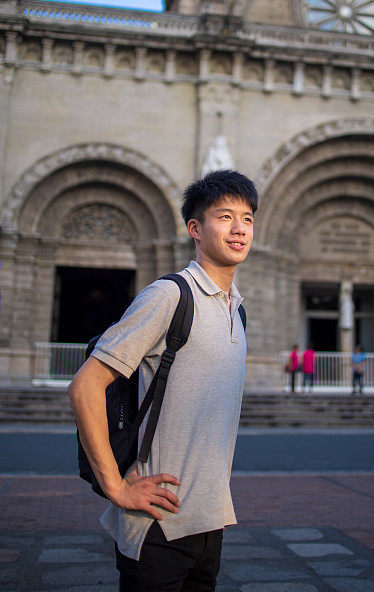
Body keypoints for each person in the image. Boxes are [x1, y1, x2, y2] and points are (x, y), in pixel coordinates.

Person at [68, 169, 258, 592]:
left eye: (247, 218)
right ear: (195, 228)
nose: (239, 228)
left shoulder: (236, 312)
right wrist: (116, 487)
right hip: (157, 524)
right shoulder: (171, 295)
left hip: (210, 517)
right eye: (224, 217)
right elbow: (85, 386)